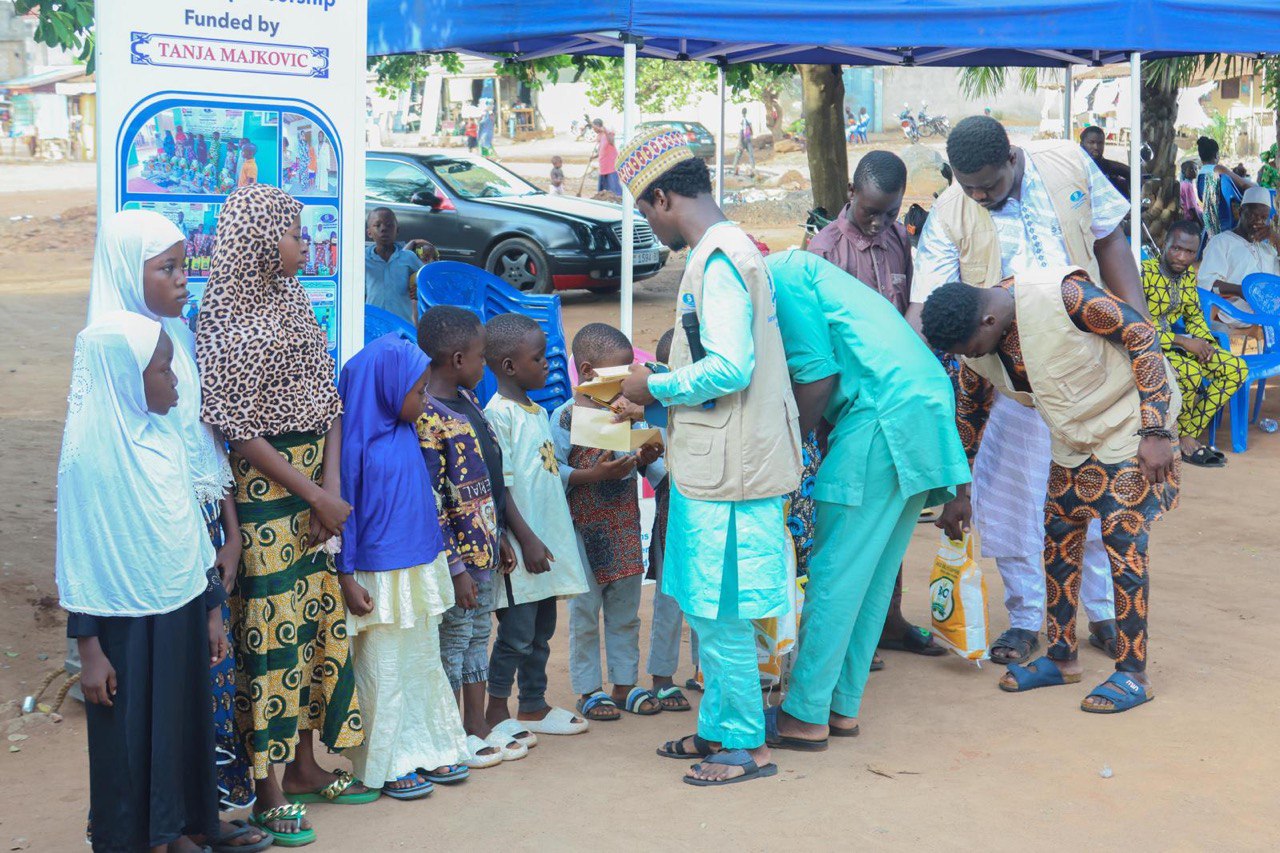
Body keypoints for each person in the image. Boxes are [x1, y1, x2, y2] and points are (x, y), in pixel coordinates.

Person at [911, 115, 1134, 666]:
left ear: (1012, 157)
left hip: (1086, 365)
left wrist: (1136, 328)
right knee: (1010, 500)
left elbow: (1110, 241)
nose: (981, 195)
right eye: (969, 186)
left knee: (1094, 493)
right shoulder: (949, 211)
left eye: (989, 183)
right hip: (1004, 373)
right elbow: (927, 304)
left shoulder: (1068, 163)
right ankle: (1027, 617)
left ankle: (1102, 611)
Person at [616, 127, 802, 785]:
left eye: (644, 208)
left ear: (663, 196)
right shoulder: (728, 250)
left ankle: (746, 746)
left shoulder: (719, 260)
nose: (647, 220)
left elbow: (729, 366)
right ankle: (721, 726)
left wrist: (652, 385)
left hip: (732, 470)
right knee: (707, 601)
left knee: (720, 607)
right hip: (726, 461)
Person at [85, 211, 272, 853]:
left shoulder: (176, 342)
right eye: (166, 268)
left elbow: (198, 441)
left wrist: (228, 529)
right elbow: (87, 529)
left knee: (194, 695)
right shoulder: (115, 355)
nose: (182, 280)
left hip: (188, 543)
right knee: (145, 704)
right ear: (124, 272)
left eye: (184, 264)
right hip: (138, 563)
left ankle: (192, 818)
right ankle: (153, 829)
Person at [196, 184, 373, 848]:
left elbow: (328, 400)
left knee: (313, 628)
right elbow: (238, 431)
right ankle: (267, 788)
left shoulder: (295, 301)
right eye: (296, 233)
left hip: (311, 495)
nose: (306, 243)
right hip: (267, 495)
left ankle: (304, 764)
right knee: (269, 636)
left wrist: (329, 489)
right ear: (261, 242)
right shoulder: (225, 316)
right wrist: (313, 494)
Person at [922, 267, 1181, 714]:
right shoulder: (976, 349)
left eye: (969, 349)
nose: (969, 358)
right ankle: (1062, 659)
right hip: (1071, 439)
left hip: (1128, 427)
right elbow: (970, 413)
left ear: (986, 322)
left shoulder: (1063, 295)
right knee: (1059, 534)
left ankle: (1133, 673)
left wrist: (1155, 429)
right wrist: (958, 491)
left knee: (1123, 543)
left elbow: (1140, 333)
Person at [760, 250, 970, 750]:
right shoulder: (811, 271)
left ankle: (804, 714)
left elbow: (815, 377)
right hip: (920, 410)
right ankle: (840, 707)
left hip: (882, 415)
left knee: (835, 572)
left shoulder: (783, 276)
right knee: (871, 576)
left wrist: (784, 461)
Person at [58, 311, 224, 853]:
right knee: (128, 738)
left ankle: (173, 828)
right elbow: (82, 558)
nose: (175, 381)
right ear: (125, 378)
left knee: (179, 723)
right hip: (119, 624)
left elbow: (191, 533)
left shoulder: (165, 439)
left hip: (178, 604)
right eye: (162, 370)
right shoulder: (91, 458)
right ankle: (137, 838)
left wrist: (211, 609)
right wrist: (89, 650)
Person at [805, 150, 949, 661]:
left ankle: (885, 621)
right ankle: (842, 633)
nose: (881, 222)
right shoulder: (823, 252)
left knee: (892, 516)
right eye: (872, 212)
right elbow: (814, 345)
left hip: (895, 404)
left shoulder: (896, 242)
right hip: (846, 410)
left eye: (891, 212)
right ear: (850, 193)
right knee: (848, 527)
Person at [337, 332, 472, 800]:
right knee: (383, 670)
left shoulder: (405, 432)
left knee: (420, 663)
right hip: (377, 576)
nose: (424, 399)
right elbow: (343, 517)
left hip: (416, 568)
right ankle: (389, 759)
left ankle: (428, 746)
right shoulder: (354, 445)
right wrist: (345, 576)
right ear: (387, 390)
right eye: (417, 392)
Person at [415, 306, 526, 768]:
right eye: (481, 357)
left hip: (485, 548)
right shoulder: (429, 418)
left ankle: (474, 723)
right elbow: (432, 502)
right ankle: (446, 732)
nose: (485, 365)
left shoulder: (470, 402)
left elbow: (489, 482)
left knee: (479, 634)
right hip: (457, 561)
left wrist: (498, 533)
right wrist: (456, 567)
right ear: (458, 359)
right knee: (454, 641)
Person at [481, 313, 592, 739]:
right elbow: (501, 487)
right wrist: (525, 539)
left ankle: (533, 704)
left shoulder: (535, 410)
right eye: (539, 357)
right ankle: (494, 711)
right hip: (522, 547)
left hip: (545, 546)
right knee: (516, 634)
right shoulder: (499, 416)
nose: (548, 364)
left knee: (543, 630)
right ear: (509, 366)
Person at [549, 323, 665, 722]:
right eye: (618, 376)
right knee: (584, 611)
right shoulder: (564, 417)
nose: (626, 385)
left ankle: (624, 683)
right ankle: (589, 689)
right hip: (582, 529)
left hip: (623, 527)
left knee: (626, 609)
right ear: (586, 370)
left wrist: (647, 457)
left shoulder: (626, 414)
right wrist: (593, 476)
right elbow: (554, 475)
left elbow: (648, 464)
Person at [1143, 220, 1248, 468]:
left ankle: (1187, 431)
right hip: (1146, 346)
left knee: (1236, 369)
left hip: (1177, 346)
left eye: (1190, 252)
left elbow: (1193, 316)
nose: (1181, 257)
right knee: (1190, 373)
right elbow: (1135, 326)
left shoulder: (1188, 276)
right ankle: (1184, 437)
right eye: (1176, 249)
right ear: (1164, 244)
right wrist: (1182, 341)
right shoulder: (1143, 273)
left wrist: (1206, 344)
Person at [644, 328, 696, 711]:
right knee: (669, 598)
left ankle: (704, 671)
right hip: (671, 513)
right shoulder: (653, 411)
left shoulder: (704, 402)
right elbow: (648, 461)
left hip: (706, 513)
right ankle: (662, 677)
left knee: (707, 599)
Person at [1197, 185, 1280, 330]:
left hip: (1270, 312)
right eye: (1253, 215)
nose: (1259, 222)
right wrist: (1243, 291)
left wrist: (1275, 238)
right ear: (1240, 212)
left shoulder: (1268, 249)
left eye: (1263, 218)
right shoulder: (1221, 242)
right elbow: (1208, 285)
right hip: (1235, 313)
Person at [365, 207, 433, 325]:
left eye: (389, 225)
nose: (384, 229)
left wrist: (418, 290)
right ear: (369, 233)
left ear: (397, 230)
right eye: (377, 225)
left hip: (402, 324)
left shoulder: (408, 257)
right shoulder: (363, 259)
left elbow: (427, 281)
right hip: (373, 323)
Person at [1197, 135, 1254, 237]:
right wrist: (1258, 187)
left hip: (1212, 225)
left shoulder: (1200, 175)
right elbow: (1243, 184)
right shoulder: (1217, 169)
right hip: (1229, 223)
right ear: (1216, 155)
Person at [1079, 126, 1130, 198]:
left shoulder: (1110, 168)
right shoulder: (1076, 168)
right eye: (1091, 142)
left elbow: (1131, 173)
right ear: (1082, 144)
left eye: (1100, 143)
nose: (1096, 147)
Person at [592, 119, 621, 196]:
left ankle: (619, 202)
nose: (594, 130)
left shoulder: (608, 132)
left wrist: (605, 131)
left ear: (598, 126)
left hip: (611, 166)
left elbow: (611, 142)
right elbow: (601, 150)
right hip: (603, 166)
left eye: (594, 128)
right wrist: (594, 157)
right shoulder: (600, 136)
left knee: (614, 189)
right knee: (603, 191)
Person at [733, 108, 755, 177]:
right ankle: (735, 170)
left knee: (747, 155)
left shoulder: (746, 119)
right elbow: (742, 132)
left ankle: (752, 170)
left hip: (746, 139)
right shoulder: (743, 119)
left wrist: (740, 142)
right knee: (740, 155)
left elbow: (749, 129)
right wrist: (740, 143)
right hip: (745, 138)